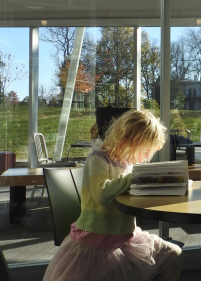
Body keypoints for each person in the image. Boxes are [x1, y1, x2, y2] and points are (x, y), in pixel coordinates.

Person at [43, 109, 183, 281]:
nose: (148, 156)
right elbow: (102, 194)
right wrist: (135, 178)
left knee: (173, 254)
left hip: (127, 237)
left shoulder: (127, 163)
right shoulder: (98, 158)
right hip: (96, 241)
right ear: (129, 140)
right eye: (146, 150)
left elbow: (127, 190)